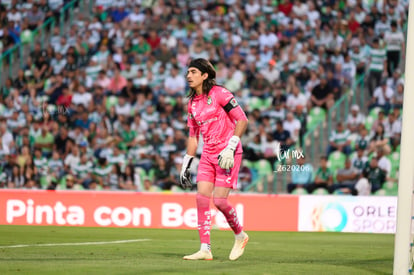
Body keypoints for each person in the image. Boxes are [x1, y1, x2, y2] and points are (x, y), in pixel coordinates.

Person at [180, 58, 249, 261]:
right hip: (208, 155)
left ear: (204, 75)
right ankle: (205, 248)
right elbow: (193, 136)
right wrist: (186, 163)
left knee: (219, 200)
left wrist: (231, 145)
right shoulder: (192, 103)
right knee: (201, 197)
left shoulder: (220, 93)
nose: (188, 76)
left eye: (193, 72)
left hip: (227, 154)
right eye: (188, 72)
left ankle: (240, 235)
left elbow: (242, 119)